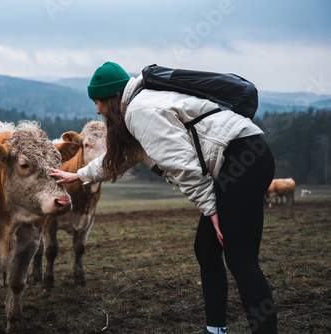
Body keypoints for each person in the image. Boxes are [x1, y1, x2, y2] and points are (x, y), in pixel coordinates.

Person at [50, 61, 278, 334]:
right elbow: (118, 159)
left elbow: (181, 164)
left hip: (241, 160)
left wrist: (212, 210)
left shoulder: (140, 111)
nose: (97, 109)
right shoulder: (139, 106)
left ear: (112, 97)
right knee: (206, 249)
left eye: (99, 101)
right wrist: (79, 175)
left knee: (240, 257)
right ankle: (215, 329)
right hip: (246, 157)